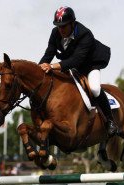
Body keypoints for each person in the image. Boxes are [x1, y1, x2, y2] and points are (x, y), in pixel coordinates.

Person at [39, 6, 118, 136]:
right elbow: (49, 54)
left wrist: (52, 67)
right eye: (58, 26)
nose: (61, 29)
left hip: (89, 65)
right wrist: (38, 70)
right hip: (71, 65)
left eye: (63, 26)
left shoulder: (84, 34)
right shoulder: (55, 33)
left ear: (72, 23)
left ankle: (110, 121)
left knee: (94, 89)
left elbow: (76, 60)